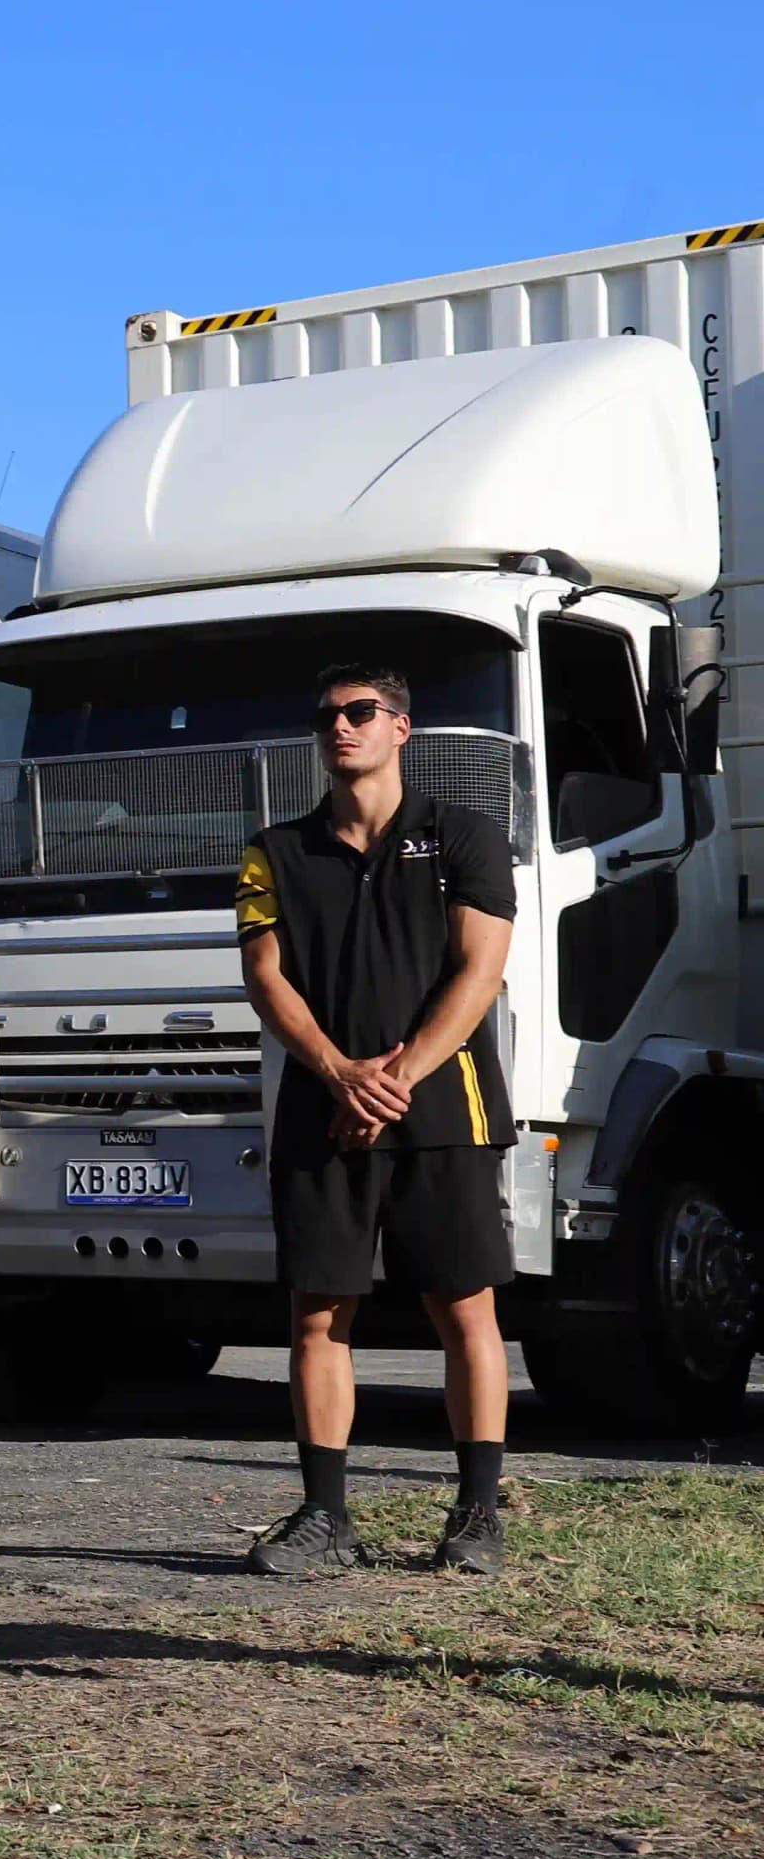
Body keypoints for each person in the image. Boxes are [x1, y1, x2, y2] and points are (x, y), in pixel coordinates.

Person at [236, 665, 519, 1578]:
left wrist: (391, 1080)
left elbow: (479, 973)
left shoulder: (465, 835)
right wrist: (337, 1074)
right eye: (326, 716)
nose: (340, 727)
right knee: (318, 1316)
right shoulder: (273, 851)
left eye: (361, 712)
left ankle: (477, 1514)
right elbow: (265, 977)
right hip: (323, 1109)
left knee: (463, 1309)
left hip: (444, 1107)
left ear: (402, 726)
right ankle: (326, 1517)